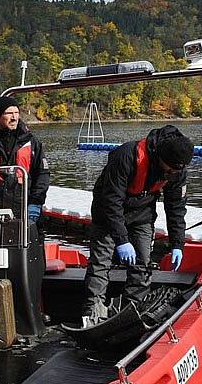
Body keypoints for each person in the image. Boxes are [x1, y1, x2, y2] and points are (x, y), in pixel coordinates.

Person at [82, 125, 193, 324]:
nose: (170, 173)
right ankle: (93, 313)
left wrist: (177, 244)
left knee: (142, 264)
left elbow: (176, 207)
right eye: (168, 169)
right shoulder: (126, 155)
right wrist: (122, 240)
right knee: (100, 263)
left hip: (142, 213)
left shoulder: (177, 171)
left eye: (175, 171)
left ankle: (132, 311)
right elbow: (111, 200)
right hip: (108, 212)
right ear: (160, 157)